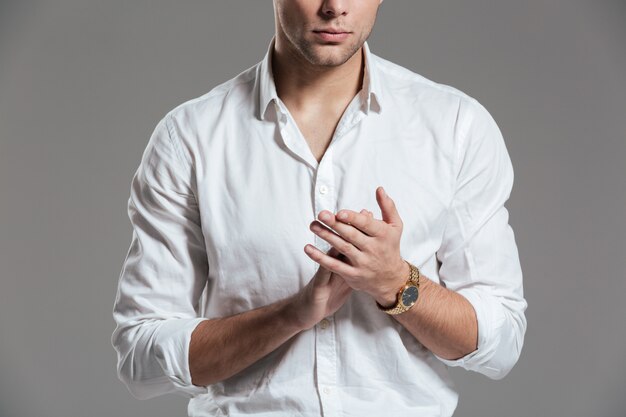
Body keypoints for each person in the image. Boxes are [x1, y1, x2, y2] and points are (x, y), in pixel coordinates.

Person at [111, 1, 527, 416]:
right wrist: (290, 315)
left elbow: (501, 343)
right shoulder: (189, 138)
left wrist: (398, 284)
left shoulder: (455, 126)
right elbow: (141, 358)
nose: (335, 7)